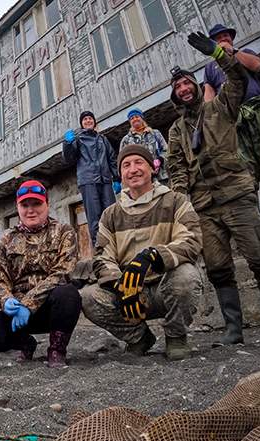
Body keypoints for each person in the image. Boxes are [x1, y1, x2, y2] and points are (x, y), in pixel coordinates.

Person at [167, 32, 260, 346]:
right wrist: (182, 200)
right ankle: (234, 331)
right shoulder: (176, 130)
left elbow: (238, 76)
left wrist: (218, 54)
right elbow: (176, 167)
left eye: (186, 83)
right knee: (218, 269)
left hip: (236, 194)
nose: (183, 88)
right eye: (177, 87)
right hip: (204, 207)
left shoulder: (221, 106)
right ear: (174, 95)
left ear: (196, 86)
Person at [81, 145, 203, 360]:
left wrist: (153, 256)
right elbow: (102, 255)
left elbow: (191, 240)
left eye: (139, 162)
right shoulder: (110, 213)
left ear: (152, 168)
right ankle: (139, 338)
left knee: (187, 276)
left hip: (166, 285)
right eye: (126, 165)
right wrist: (120, 284)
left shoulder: (175, 201)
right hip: (131, 293)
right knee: (89, 297)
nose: (133, 169)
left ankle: (176, 337)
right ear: (121, 174)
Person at [0, 180, 81, 367]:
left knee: (68, 293)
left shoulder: (64, 232)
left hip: (52, 307)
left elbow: (62, 273)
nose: (30, 210)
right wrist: (6, 300)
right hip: (18, 313)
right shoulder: (6, 239)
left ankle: (57, 350)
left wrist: (29, 304)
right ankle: (26, 344)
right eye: (24, 205)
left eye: (36, 204)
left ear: (47, 205)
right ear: (18, 207)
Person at [202, 24, 260, 217]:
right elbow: (208, 98)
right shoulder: (209, 69)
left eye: (226, 36)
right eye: (218, 37)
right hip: (232, 118)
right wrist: (212, 120)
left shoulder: (243, 53)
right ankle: (254, 214)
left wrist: (233, 52)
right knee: (243, 163)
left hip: (257, 109)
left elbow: (256, 65)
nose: (223, 39)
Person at [62, 111, 120, 246]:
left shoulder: (103, 139)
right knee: (94, 217)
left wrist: (117, 178)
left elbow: (111, 159)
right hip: (88, 181)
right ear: (81, 123)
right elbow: (69, 159)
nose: (88, 121)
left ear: (94, 122)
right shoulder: (78, 139)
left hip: (105, 180)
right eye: (85, 119)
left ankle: (116, 245)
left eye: (90, 119)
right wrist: (68, 144)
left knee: (110, 213)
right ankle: (99, 249)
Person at [119, 108, 169, 185]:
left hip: (160, 177)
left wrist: (160, 160)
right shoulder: (126, 140)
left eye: (137, 117)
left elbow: (166, 150)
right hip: (140, 179)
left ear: (142, 118)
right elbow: (122, 161)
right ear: (130, 122)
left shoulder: (155, 133)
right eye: (132, 118)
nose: (135, 119)